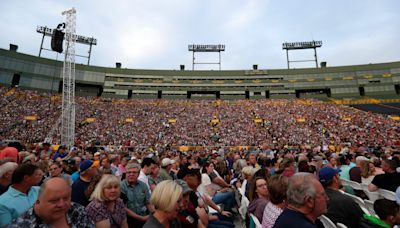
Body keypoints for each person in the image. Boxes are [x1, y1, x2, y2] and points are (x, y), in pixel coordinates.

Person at [8, 177, 94, 227]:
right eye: (54, 200)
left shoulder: (77, 210)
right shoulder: (21, 225)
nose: (62, 204)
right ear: (38, 201)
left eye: (66, 198)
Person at [120, 163, 153, 228]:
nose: (131, 174)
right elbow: (123, 208)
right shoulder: (121, 186)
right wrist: (141, 218)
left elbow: (148, 202)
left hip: (144, 216)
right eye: (129, 172)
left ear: (138, 174)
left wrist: (153, 214)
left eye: (134, 172)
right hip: (128, 220)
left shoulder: (143, 185)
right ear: (125, 174)